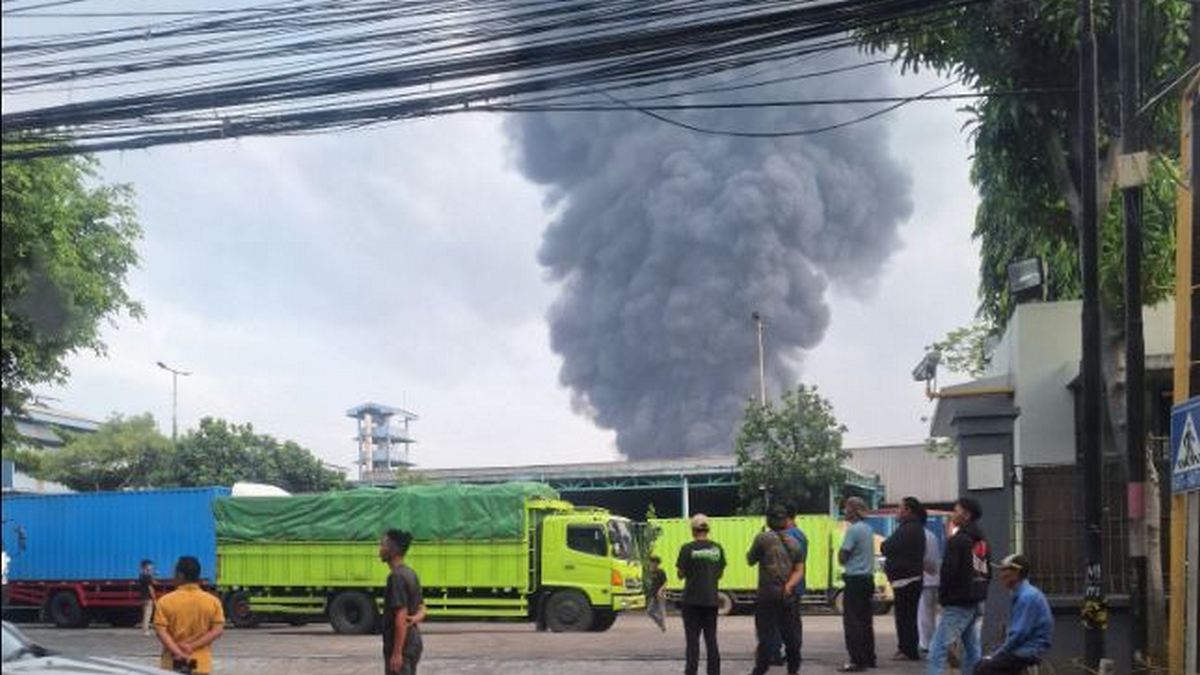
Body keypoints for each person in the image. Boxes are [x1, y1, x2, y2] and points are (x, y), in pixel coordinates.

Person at [925, 497, 991, 675]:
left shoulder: (958, 541)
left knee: (937, 649)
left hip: (958, 602)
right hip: (977, 599)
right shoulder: (982, 541)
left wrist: (943, 597)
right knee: (972, 648)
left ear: (966, 515)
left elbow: (948, 572)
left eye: (956, 510)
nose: (953, 514)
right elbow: (987, 571)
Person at [747, 506, 805, 675]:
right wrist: (789, 585)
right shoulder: (795, 543)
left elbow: (750, 560)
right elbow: (799, 570)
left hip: (767, 595)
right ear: (786, 521)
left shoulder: (762, 539)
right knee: (790, 636)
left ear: (768, 521)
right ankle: (793, 670)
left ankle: (760, 670)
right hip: (787, 596)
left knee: (766, 636)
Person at [975, 554, 1052, 674]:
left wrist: (999, 652)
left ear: (1017, 573)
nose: (1002, 575)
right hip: (1023, 648)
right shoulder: (1022, 594)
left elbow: (1020, 633)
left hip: (1027, 650)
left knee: (983, 668)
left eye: (1006, 570)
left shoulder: (1027, 597)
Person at [153, 556, 225, 675]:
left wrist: (178, 652)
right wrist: (191, 646)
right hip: (201, 663)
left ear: (180, 575)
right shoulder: (212, 601)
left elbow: (161, 632)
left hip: (171, 664)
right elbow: (217, 630)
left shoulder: (165, 601)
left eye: (174, 573)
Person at [676, 513, 725, 675]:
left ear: (693, 531)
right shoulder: (717, 548)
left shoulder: (687, 548)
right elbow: (719, 574)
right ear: (707, 529)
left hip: (691, 602)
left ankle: (691, 672)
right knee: (711, 640)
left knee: (692, 642)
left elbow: (680, 574)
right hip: (711, 601)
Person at [881, 497, 926, 661]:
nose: (897, 511)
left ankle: (907, 650)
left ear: (908, 510)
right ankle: (908, 649)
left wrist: (886, 546)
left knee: (904, 618)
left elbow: (887, 546)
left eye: (900, 508)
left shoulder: (908, 528)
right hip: (909, 578)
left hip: (906, 580)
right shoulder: (914, 527)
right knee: (908, 617)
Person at [837, 496, 877, 672]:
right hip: (867, 579)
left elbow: (843, 555)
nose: (844, 511)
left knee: (852, 622)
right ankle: (869, 658)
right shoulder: (868, 529)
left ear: (853, 510)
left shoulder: (853, 530)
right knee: (865, 621)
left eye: (846, 508)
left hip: (854, 579)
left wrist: (841, 556)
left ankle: (856, 661)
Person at [380, 529, 427, 675]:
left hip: (403, 645)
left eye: (382, 545)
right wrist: (414, 619)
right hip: (413, 641)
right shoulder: (410, 573)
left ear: (392, 550)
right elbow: (423, 608)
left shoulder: (396, 577)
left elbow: (401, 615)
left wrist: (397, 653)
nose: (379, 549)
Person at [918, 511, 942, 655]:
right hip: (934, 579)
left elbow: (922, 558)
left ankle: (925, 643)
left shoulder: (920, 536)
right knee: (930, 614)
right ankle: (930, 641)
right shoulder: (932, 535)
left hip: (925, 579)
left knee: (923, 614)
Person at [645, 554, 668, 632]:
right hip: (653, 594)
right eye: (651, 562)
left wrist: (660, 590)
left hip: (660, 594)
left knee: (662, 611)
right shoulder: (651, 572)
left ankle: (663, 626)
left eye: (653, 562)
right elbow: (651, 583)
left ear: (657, 563)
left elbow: (665, 582)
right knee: (649, 611)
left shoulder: (661, 571)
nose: (652, 564)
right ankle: (660, 623)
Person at [138, 559, 156, 636]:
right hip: (148, 596)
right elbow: (150, 587)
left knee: (144, 613)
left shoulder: (141, 575)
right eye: (150, 565)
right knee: (148, 614)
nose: (152, 566)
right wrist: (154, 597)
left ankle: (144, 629)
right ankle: (146, 631)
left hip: (142, 596)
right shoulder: (147, 576)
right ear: (146, 566)